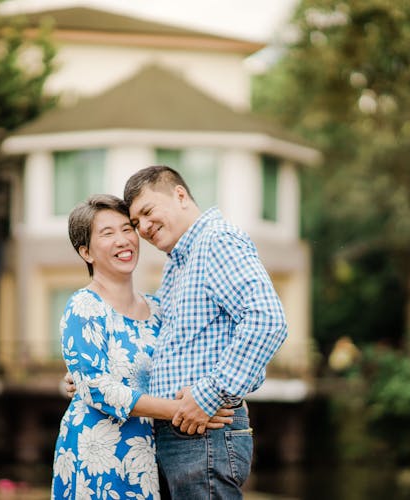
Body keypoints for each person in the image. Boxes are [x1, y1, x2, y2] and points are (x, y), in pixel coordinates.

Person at [51, 194, 233, 500]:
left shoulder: (160, 308)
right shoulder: (84, 306)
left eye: (127, 229)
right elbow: (96, 387)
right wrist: (182, 410)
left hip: (153, 455)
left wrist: (209, 395)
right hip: (98, 455)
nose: (123, 240)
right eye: (107, 233)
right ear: (86, 252)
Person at [123, 166, 289, 498]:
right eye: (135, 222)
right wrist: (94, 373)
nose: (142, 227)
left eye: (147, 211)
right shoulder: (177, 262)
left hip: (203, 435)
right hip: (179, 433)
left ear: (180, 195)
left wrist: (208, 395)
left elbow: (267, 319)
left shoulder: (216, 240)